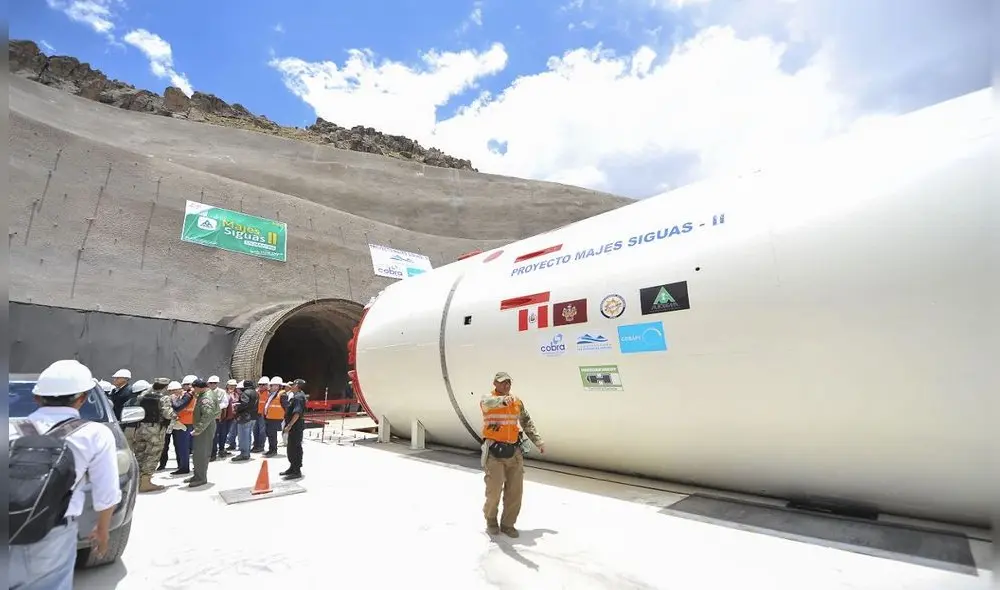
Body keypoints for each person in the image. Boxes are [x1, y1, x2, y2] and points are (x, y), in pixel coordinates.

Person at [8, 360, 122, 589]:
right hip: (52, 533)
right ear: (82, 398)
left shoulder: (11, 428)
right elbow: (106, 493)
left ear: (36, 398)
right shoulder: (95, 434)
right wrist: (102, 531)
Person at [479, 371, 545, 538]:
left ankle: (508, 524)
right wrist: (502, 400)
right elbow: (487, 404)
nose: (506, 385)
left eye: (509, 382)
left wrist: (538, 441)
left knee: (515, 491)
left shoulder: (516, 401)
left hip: (514, 452)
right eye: (502, 382)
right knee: (494, 490)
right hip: (494, 452)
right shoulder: (488, 399)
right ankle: (491, 519)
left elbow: (526, 421)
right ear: (495, 383)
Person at [127, 377, 176, 492]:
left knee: (140, 453)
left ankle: (138, 480)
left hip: (141, 428)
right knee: (152, 454)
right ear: (165, 387)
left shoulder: (142, 396)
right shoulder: (164, 398)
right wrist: (175, 416)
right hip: (155, 429)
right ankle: (145, 482)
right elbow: (167, 414)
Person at [187, 379, 220, 487]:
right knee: (197, 453)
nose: (193, 390)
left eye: (194, 388)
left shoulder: (207, 397)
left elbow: (207, 415)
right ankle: (197, 474)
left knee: (201, 453)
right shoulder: (204, 393)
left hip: (205, 428)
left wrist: (198, 429)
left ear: (199, 387)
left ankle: (201, 478)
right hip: (204, 426)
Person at [280, 379, 308, 479]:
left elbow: (297, 413)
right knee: (290, 448)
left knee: (295, 448)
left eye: (293, 384)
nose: (291, 386)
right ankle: (292, 467)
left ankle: (296, 471)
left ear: (297, 386)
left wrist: (289, 425)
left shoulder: (298, 397)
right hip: (294, 427)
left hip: (296, 427)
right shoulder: (296, 395)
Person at [170, 379, 197, 476]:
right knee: (181, 446)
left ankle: (184, 467)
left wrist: (172, 399)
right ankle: (182, 466)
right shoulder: (187, 395)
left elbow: (178, 407)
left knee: (182, 447)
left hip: (184, 423)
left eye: (173, 391)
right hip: (184, 423)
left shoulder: (187, 396)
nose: (172, 393)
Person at [231, 379, 259, 462]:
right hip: (253, 417)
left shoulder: (246, 393)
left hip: (245, 417)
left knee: (243, 436)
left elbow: (244, 403)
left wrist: (237, 408)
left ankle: (244, 454)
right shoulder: (255, 392)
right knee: (248, 435)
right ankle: (247, 452)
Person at [213, 379, 238, 460]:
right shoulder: (223, 393)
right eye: (230, 385)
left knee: (225, 434)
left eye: (234, 385)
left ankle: (222, 449)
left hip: (231, 417)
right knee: (220, 434)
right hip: (223, 417)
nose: (232, 387)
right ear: (227, 385)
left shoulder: (236, 394)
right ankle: (218, 450)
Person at [262, 376, 285, 457]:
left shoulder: (282, 395)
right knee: (269, 434)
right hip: (269, 417)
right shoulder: (272, 394)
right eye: (271, 385)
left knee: (272, 435)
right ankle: (271, 449)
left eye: (272, 385)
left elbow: (286, 407)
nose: (270, 387)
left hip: (275, 418)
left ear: (278, 386)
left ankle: (273, 450)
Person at [251, 376, 269, 452]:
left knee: (262, 431)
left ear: (267, 385)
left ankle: (261, 446)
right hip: (255, 414)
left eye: (263, 384)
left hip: (263, 415)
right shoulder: (256, 392)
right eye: (260, 384)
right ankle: (255, 445)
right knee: (255, 430)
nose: (261, 386)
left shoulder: (269, 393)